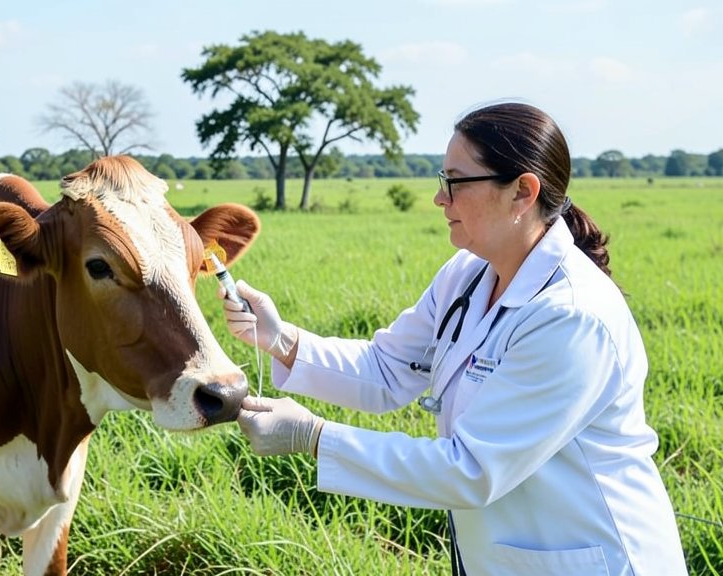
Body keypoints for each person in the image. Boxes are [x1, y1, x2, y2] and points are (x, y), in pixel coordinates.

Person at [221, 102, 687, 575]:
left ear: (522, 192)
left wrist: (314, 437)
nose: (439, 200)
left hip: (594, 559)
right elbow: (387, 370)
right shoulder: (467, 274)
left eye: (454, 183)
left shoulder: (572, 317)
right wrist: (281, 341)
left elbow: (472, 470)